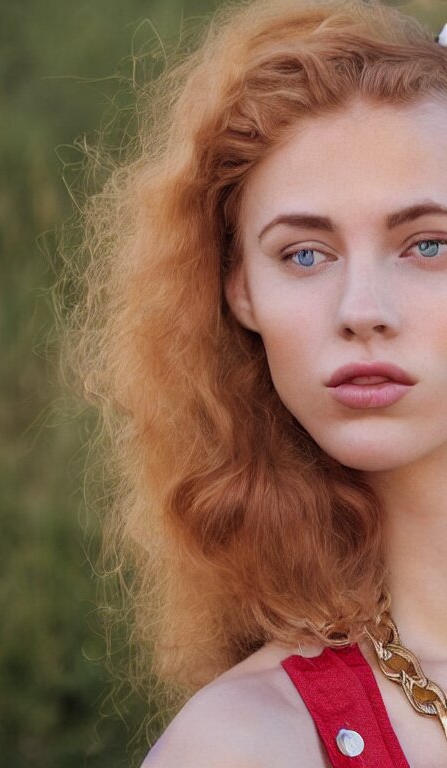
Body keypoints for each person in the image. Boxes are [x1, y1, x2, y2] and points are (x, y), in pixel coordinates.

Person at [70, 0, 447, 764]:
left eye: (428, 244)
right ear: (238, 290)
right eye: (305, 254)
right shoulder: (242, 744)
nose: (361, 312)